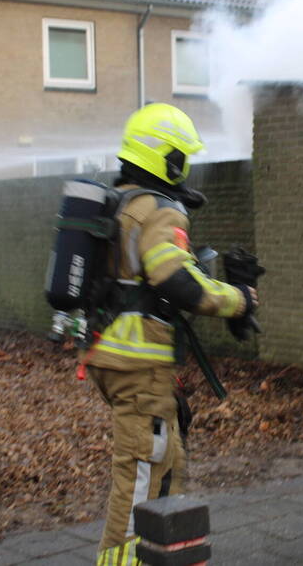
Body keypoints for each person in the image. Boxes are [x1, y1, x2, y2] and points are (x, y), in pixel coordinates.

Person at [85, 102, 258, 566]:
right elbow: (176, 281)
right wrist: (239, 299)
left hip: (113, 355)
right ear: (169, 159)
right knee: (142, 470)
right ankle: (122, 561)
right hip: (137, 363)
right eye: (183, 158)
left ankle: (161, 555)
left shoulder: (118, 203)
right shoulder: (158, 210)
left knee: (166, 462)